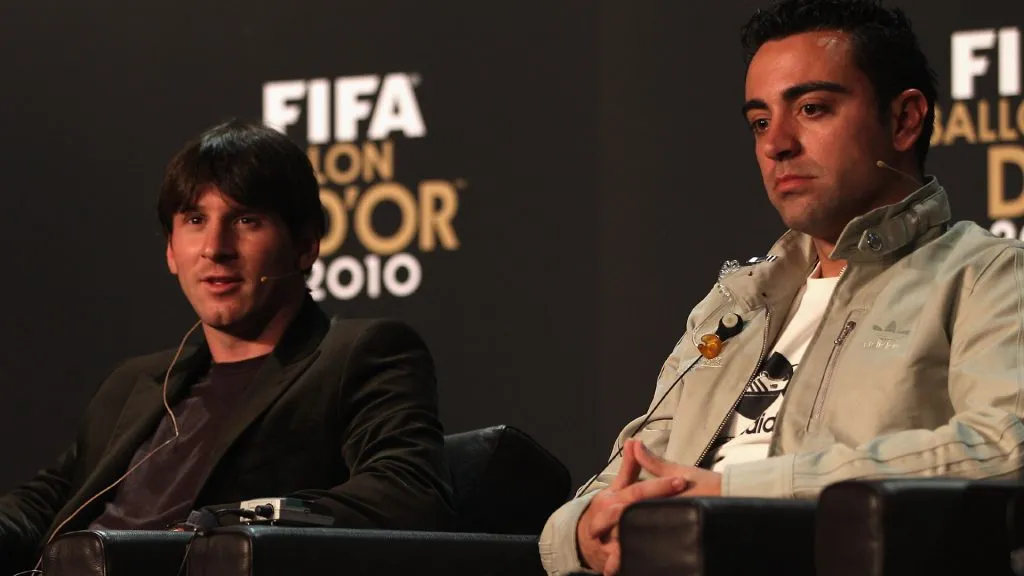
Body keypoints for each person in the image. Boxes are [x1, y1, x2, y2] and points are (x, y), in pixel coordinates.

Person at [540, 0, 1024, 574]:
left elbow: (1005, 446)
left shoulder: (987, 274)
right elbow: (626, 470)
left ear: (904, 120)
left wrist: (743, 490)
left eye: (812, 108)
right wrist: (582, 532)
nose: (777, 145)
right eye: (760, 122)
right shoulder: (736, 304)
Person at [0, 120, 455, 574]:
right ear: (171, 252)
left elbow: (406, 493)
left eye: (245, 220)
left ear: (305, 244)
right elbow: (39, 506)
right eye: (195, 220)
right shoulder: (133, 383)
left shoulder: (358, 355)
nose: (215, 248)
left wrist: (223, 525)